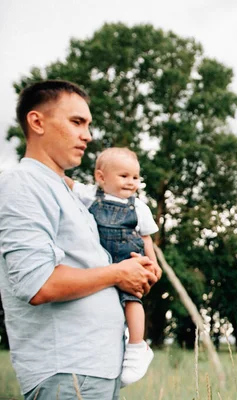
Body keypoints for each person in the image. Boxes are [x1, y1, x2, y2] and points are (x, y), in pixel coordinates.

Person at [0, 80, 161, 400]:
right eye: (76, 122)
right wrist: (119, 274)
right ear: (37, 121)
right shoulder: (22, 184)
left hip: (98, 369)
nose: (87, 135)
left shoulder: (75, 195)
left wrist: (140, 268)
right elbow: (39, 283)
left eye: (88, 125)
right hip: (67, 371)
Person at [65, 147, 158, 386]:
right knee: (103, 302)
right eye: (124, 176)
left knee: (132, 300)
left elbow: (146, 238)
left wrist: (153, 264)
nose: (131, 182)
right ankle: (122, 337)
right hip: (98, 261)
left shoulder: (139, 207)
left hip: (129, 259)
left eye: (135, 177)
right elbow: (67, 182)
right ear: (101, 177)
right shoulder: (89, 195)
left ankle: (138, 346)